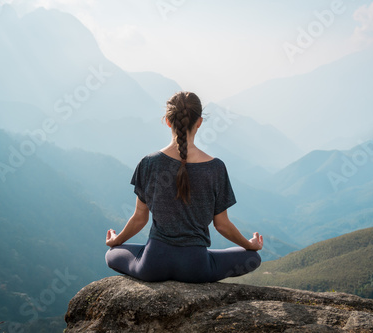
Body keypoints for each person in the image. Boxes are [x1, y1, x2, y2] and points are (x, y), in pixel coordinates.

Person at [105, 91, 263, 283]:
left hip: (153, 265)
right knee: (253, 258)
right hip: (196, 268)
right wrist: (249, 244)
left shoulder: (148, 163)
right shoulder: (216, 168)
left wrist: (117, 240)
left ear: (168, 121)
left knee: (112, 254)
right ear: (199, 122)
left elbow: (139, 218)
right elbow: (222, 225)